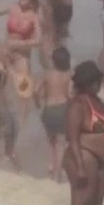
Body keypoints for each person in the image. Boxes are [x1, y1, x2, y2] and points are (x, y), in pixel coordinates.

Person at [64, 60, 104, 205]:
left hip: (101, 161)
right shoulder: (78, 104)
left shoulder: (98, 101)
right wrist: (79, 167)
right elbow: (72, 138)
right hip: (84, 156)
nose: (97, 84)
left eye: (98, 81)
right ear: (85, 83)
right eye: (94, 81)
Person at [36, 46, 72, 181]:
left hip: (48, 110)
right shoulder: (68, 75)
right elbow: (70, 94)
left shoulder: (47, 74)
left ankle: (52, 168)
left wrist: (37, 103)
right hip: (62, 109)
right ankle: (57, 174)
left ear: (54, 60)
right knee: (61, 143)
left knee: (51, 142)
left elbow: (35, 90)